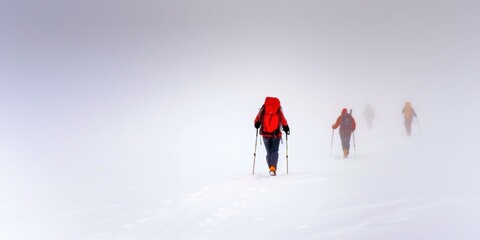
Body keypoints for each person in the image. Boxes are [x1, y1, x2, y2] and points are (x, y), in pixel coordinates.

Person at [254, 97, 290, 176]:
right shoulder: (278, 110)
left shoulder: (264, 109)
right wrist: (286, 128)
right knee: (274, 151)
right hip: (276, 134)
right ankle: (272, 168)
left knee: (269, 152)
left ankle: (271, 168)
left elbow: (257, 120)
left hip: (265, 134)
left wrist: (257, 124)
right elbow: (283, 120)